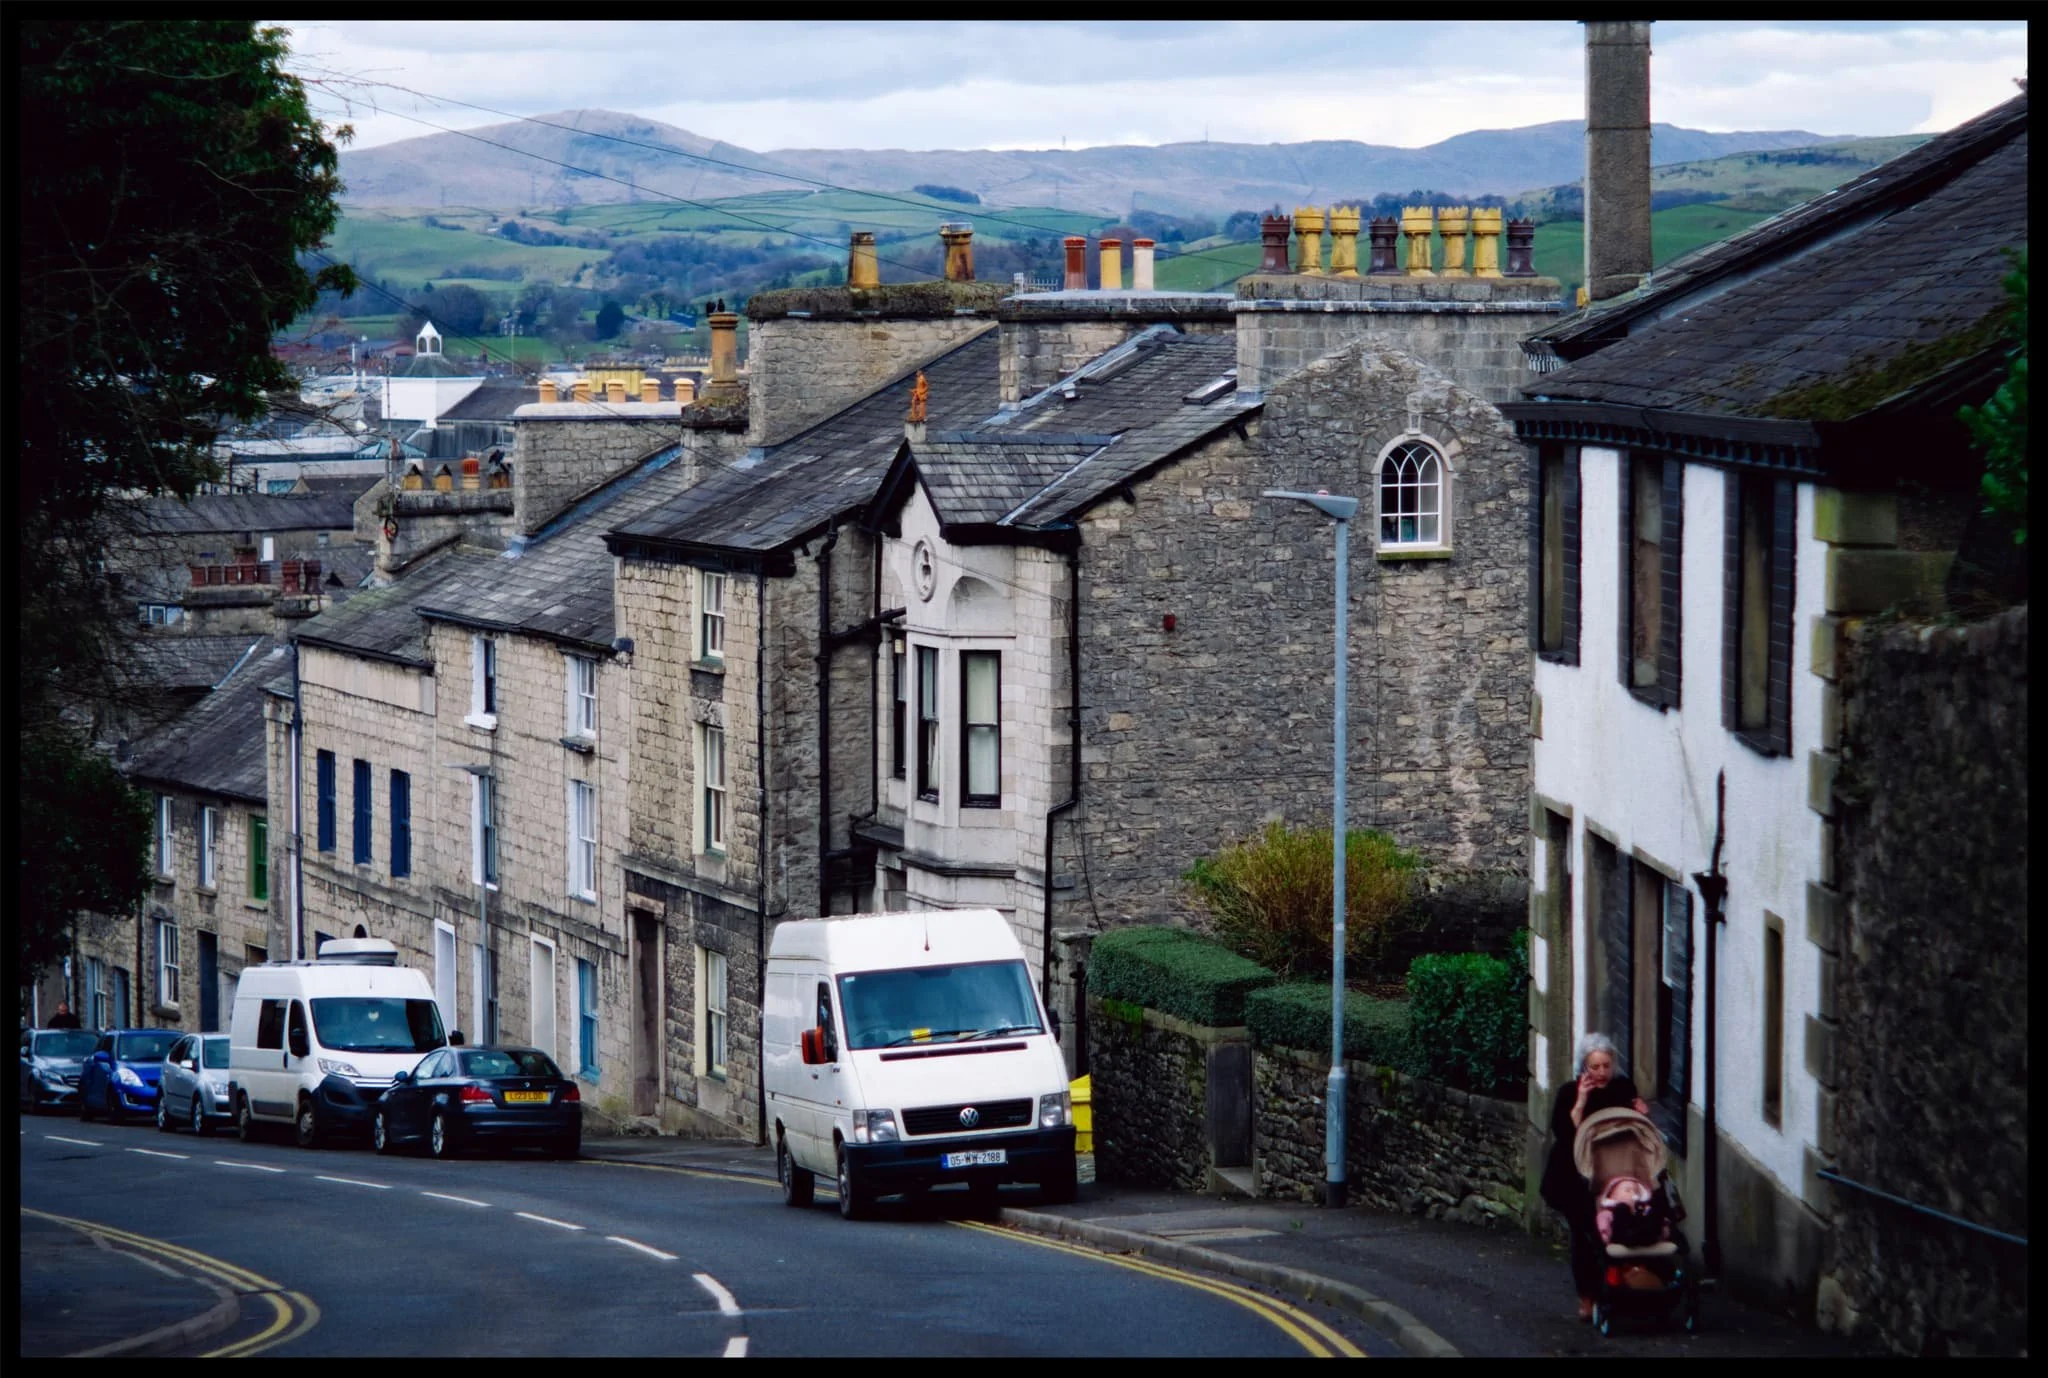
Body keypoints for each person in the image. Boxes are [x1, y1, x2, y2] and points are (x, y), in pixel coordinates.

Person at [1540, 1032, 1651, 1321]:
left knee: (1621, 1227)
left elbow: (1633, 1129)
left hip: (1614, 1169)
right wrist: (1580, 1102)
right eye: (1595, 1067)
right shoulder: (1569, 1092)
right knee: (1584, 1235)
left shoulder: (1623, 1087)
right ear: (1584, 1067)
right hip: (1574, 1173)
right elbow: (1564, 1135)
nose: (1601, 1073)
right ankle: (1587, 1297)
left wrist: (1641, 1113)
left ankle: (1623, 1286)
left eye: (1606, 1066)